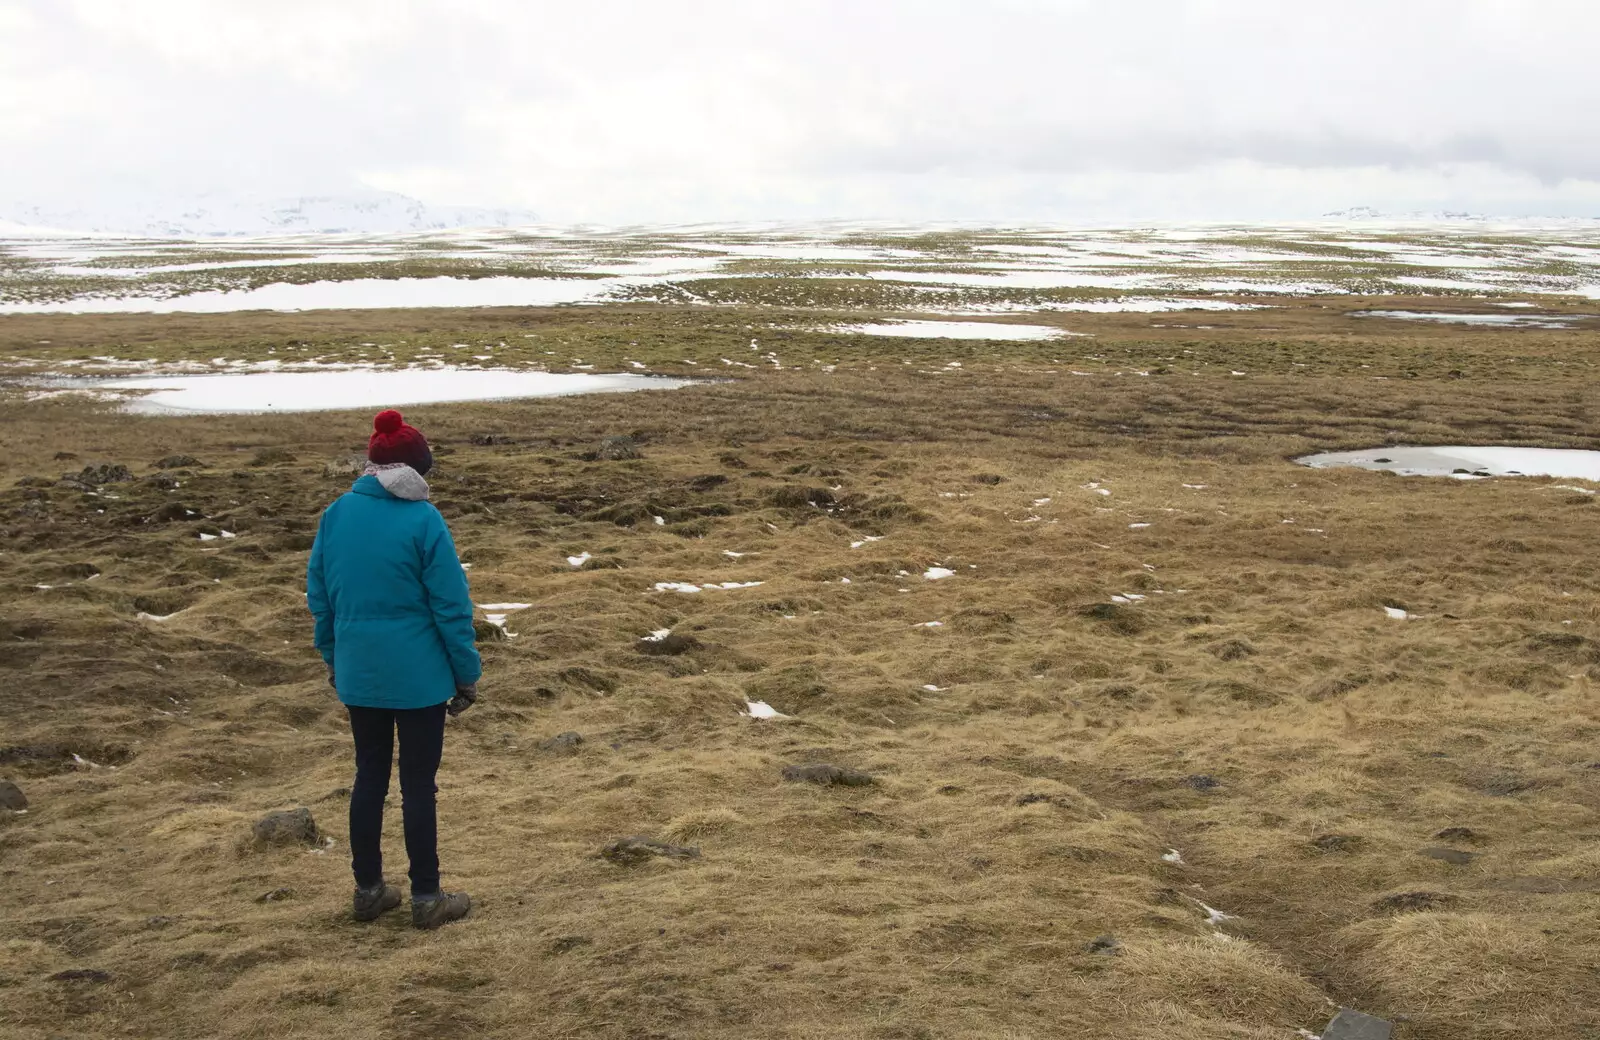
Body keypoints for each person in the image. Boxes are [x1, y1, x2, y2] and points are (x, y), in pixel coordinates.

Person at [306, 409, 482, 929]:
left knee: (369, 777)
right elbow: (451, 605)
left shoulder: (336, 513)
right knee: (418, 784)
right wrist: (466, 673)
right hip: (421, 677)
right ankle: (427, 897)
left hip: (360, 673)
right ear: (415, 470)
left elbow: (321, 598)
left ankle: (368, 891)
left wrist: (336, 659)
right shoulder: (424, 519)